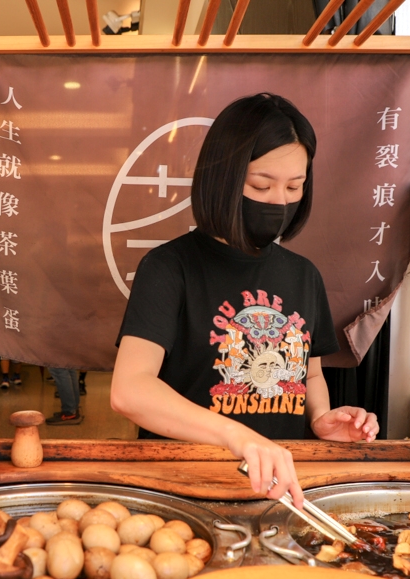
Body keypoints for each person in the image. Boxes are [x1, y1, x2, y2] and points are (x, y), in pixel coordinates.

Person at [110, 93, 379, 506]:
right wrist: (237, 435)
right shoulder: (169, 267)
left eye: (295, 186)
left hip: (277, 490)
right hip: (184, 487)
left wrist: (322, 420)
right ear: (224, 178)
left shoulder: (303, 274)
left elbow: (309, 376)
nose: (280, 201)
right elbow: (130, 390)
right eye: (261, 185)